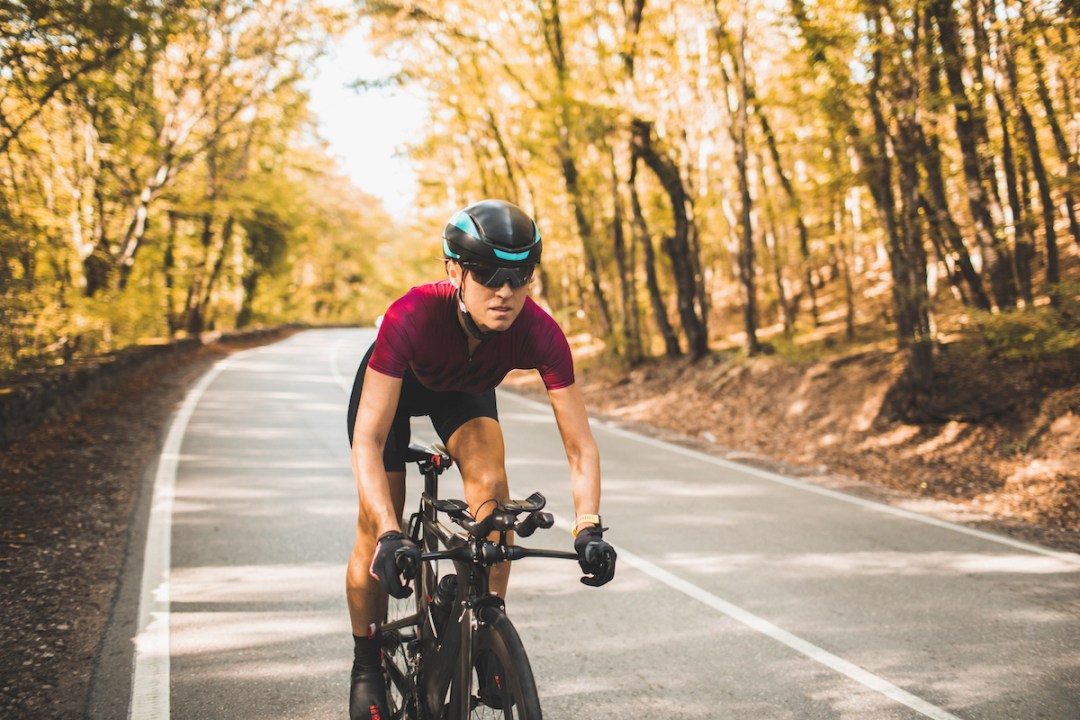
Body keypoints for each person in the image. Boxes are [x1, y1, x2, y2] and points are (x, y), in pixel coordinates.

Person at [345, 199, 617, 719]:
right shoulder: (412, 316)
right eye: (487, 273)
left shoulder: (539, 332)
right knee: (376, 524)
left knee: (495, 497)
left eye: (519, 275)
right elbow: (368, 439)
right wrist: (388, 533)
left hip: (462, 394)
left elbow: (579, 444)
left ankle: (487, 626)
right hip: (393, 396)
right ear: (455, 272)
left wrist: (589, 528)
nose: (504, 290)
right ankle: (366, 664)